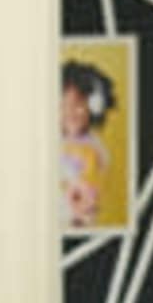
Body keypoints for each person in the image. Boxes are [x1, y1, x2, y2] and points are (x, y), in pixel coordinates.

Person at [58, 59, 117, 229]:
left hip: (76, 212)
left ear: (94, 107)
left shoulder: (93, 148)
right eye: (63, 106)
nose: (70, 113)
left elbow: (88, 188)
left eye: (78, 105)